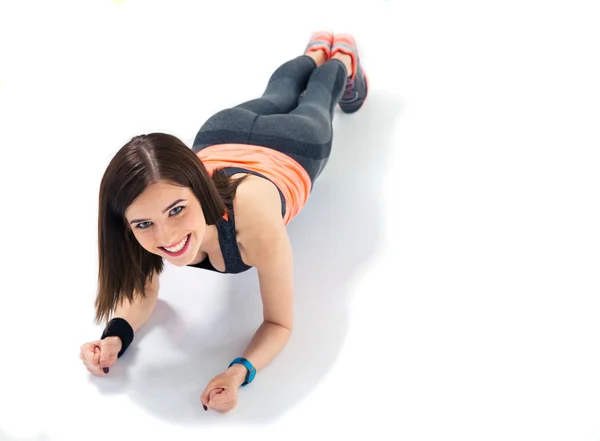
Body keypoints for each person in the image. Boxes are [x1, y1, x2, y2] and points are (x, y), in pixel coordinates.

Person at [78, 31, 368, 413]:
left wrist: (239, 372)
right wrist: (115, 337)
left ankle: (340, 59)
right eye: (145, 225)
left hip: (296, 144)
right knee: (278, 90)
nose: (166, 236)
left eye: (177, 210)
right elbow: (144, 292)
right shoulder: (137, 218)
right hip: (224, 132)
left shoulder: (253, 221)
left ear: (199, 185)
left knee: (317, 97)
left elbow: (280, 324)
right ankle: (314, 50)